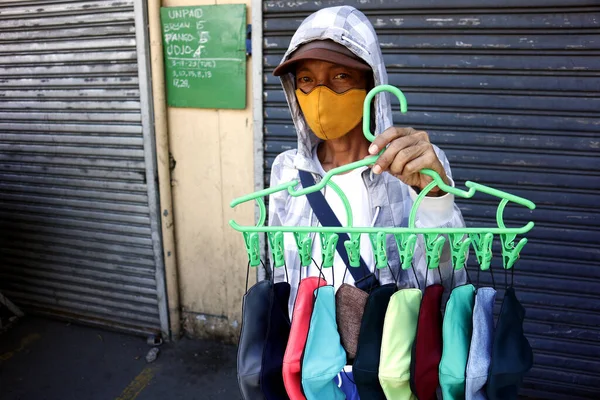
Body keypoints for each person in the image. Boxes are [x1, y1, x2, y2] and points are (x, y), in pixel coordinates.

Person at [269, 5, 466, 314]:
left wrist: (436, 199)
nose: (319, 95)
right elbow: (280, 274)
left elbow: (448, 281)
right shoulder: (287, 170)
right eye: (306, 79)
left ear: (371, 83)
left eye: (340, 76)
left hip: (389, 355)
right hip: (307, 354)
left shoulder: (415, 166)